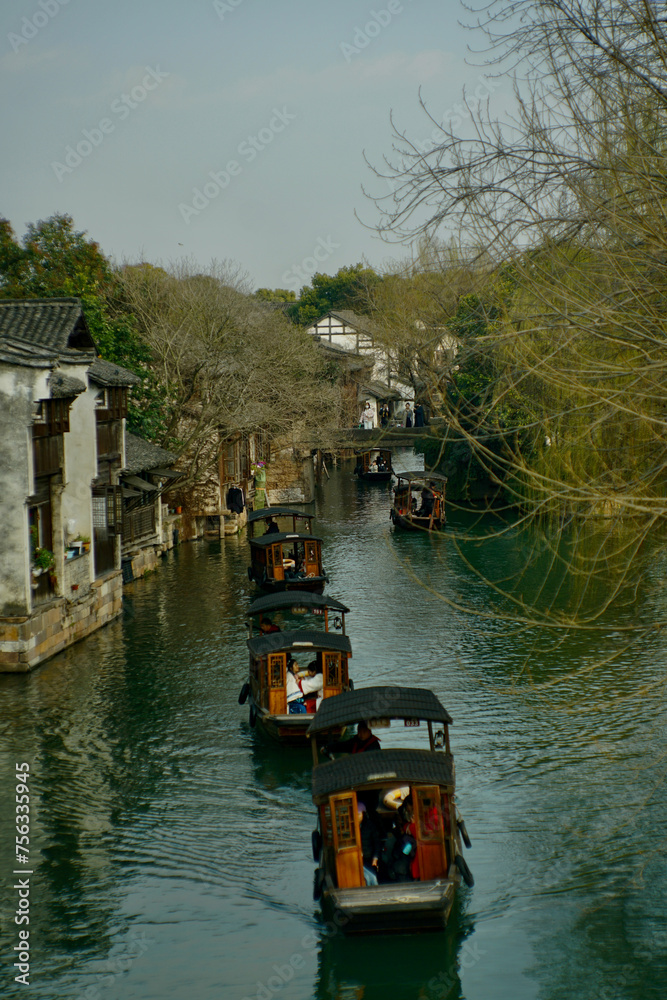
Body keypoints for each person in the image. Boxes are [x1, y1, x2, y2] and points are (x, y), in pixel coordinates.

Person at [357, 802, 382, 886]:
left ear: (363, 814)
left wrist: (375, 858)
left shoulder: (370, 826)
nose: (357, 817)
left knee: (372, 878)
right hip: (355, 860)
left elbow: (377, 843)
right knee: (366, 878)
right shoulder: (350, 827)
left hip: (368, 859)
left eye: (359, 814)